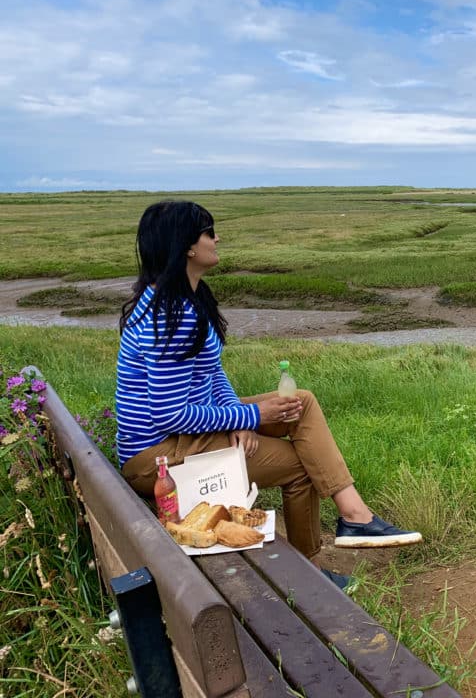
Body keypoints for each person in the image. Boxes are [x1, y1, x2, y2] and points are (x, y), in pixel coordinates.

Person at [115, 200, 420, 588]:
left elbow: (211, 371)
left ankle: (354, 515)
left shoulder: (182, 299)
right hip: (158, 457)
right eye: (209, 232)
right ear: (187, 246)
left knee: (301, 402)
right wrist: (252, 418)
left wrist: (232, 410)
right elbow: (169, 414)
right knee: (300, 465)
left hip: (180, 439)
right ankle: (308, 575)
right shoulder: (171, 317)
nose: (216, 238)